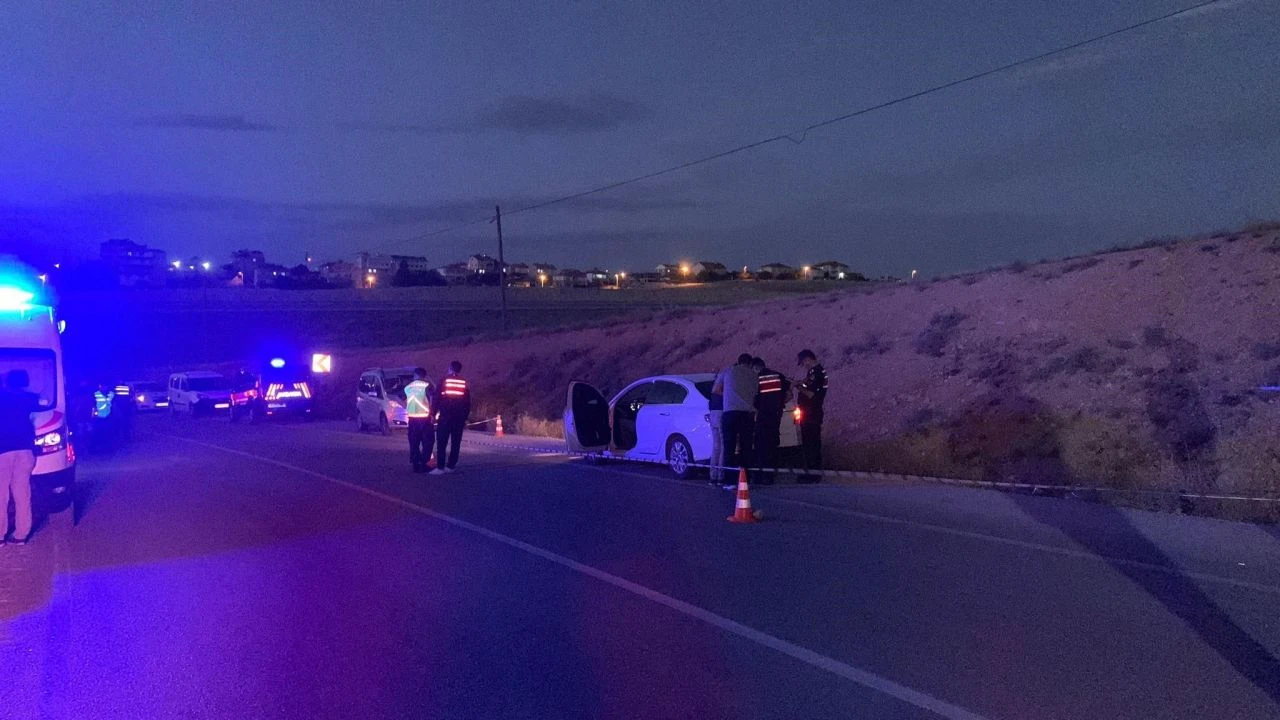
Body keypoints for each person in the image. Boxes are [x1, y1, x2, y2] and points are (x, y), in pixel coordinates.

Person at [1, 370, 40, 546]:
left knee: (1, 494)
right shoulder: (31, 398)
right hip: (26, 450)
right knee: (22, 492)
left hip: (3, 451)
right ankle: (21, 535)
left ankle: (0, 536)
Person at [711, 353, 758, 485]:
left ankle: (729, 481)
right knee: (746, 448)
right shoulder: (754, 375)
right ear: (749, 363)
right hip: (748, 415)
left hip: (730, 413)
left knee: (729, 447)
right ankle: (746, 479)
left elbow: (715, 389)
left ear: (738, 361)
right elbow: (755, 394)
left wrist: (728, 395)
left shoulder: (728, 371)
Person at [750, 356, 790, 484]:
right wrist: (780, 404)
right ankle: (770, 475)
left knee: (761, 445)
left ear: (755, 367)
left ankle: (760, 476)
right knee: (772, 443)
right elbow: (790, 394)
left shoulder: (756, 379)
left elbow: (752, 398)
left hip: (763, 415)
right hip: (776, 415)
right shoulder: (778, 375)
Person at [431, 361, 471, 475]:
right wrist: (465, 417)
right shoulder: (464, 383)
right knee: (456, 442)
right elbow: (467, 402)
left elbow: (436, 398)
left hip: (445, 416)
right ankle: (451, 465)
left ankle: (440, 467)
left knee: (442, 441)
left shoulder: (444, 380)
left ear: (450, 368)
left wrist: (433, 414)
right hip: (459, 417)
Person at [795, 349, 828, 483]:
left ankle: (813, 474)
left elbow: (811, 394)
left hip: (812, 413)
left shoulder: (818, 372)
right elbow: (807, 384)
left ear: (808, 359)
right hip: (808, 413)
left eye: (803, 363)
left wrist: (799, 387)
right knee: (808, 443)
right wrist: (800, 382)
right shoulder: (812, 373)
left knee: (812, 444)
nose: (804, 365)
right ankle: (810, 472)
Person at [404, 367, 435, 473]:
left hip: (412, 418)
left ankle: (415, 464)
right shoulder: (426, 385)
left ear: (415, 375)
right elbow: (433, 398)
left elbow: (405, 400)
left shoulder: (408, 387)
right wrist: (433, 414)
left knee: (414, 441)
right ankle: (424, 464)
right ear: (424, 376)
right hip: (424, 418)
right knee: (428, 441)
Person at [708, 382, 724, 484]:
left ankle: (713, 476)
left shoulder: (712, 393)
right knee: (723, 446)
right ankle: (720, 476)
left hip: (713, 414)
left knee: (716, 447)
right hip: (721, 414)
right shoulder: (723, 392)